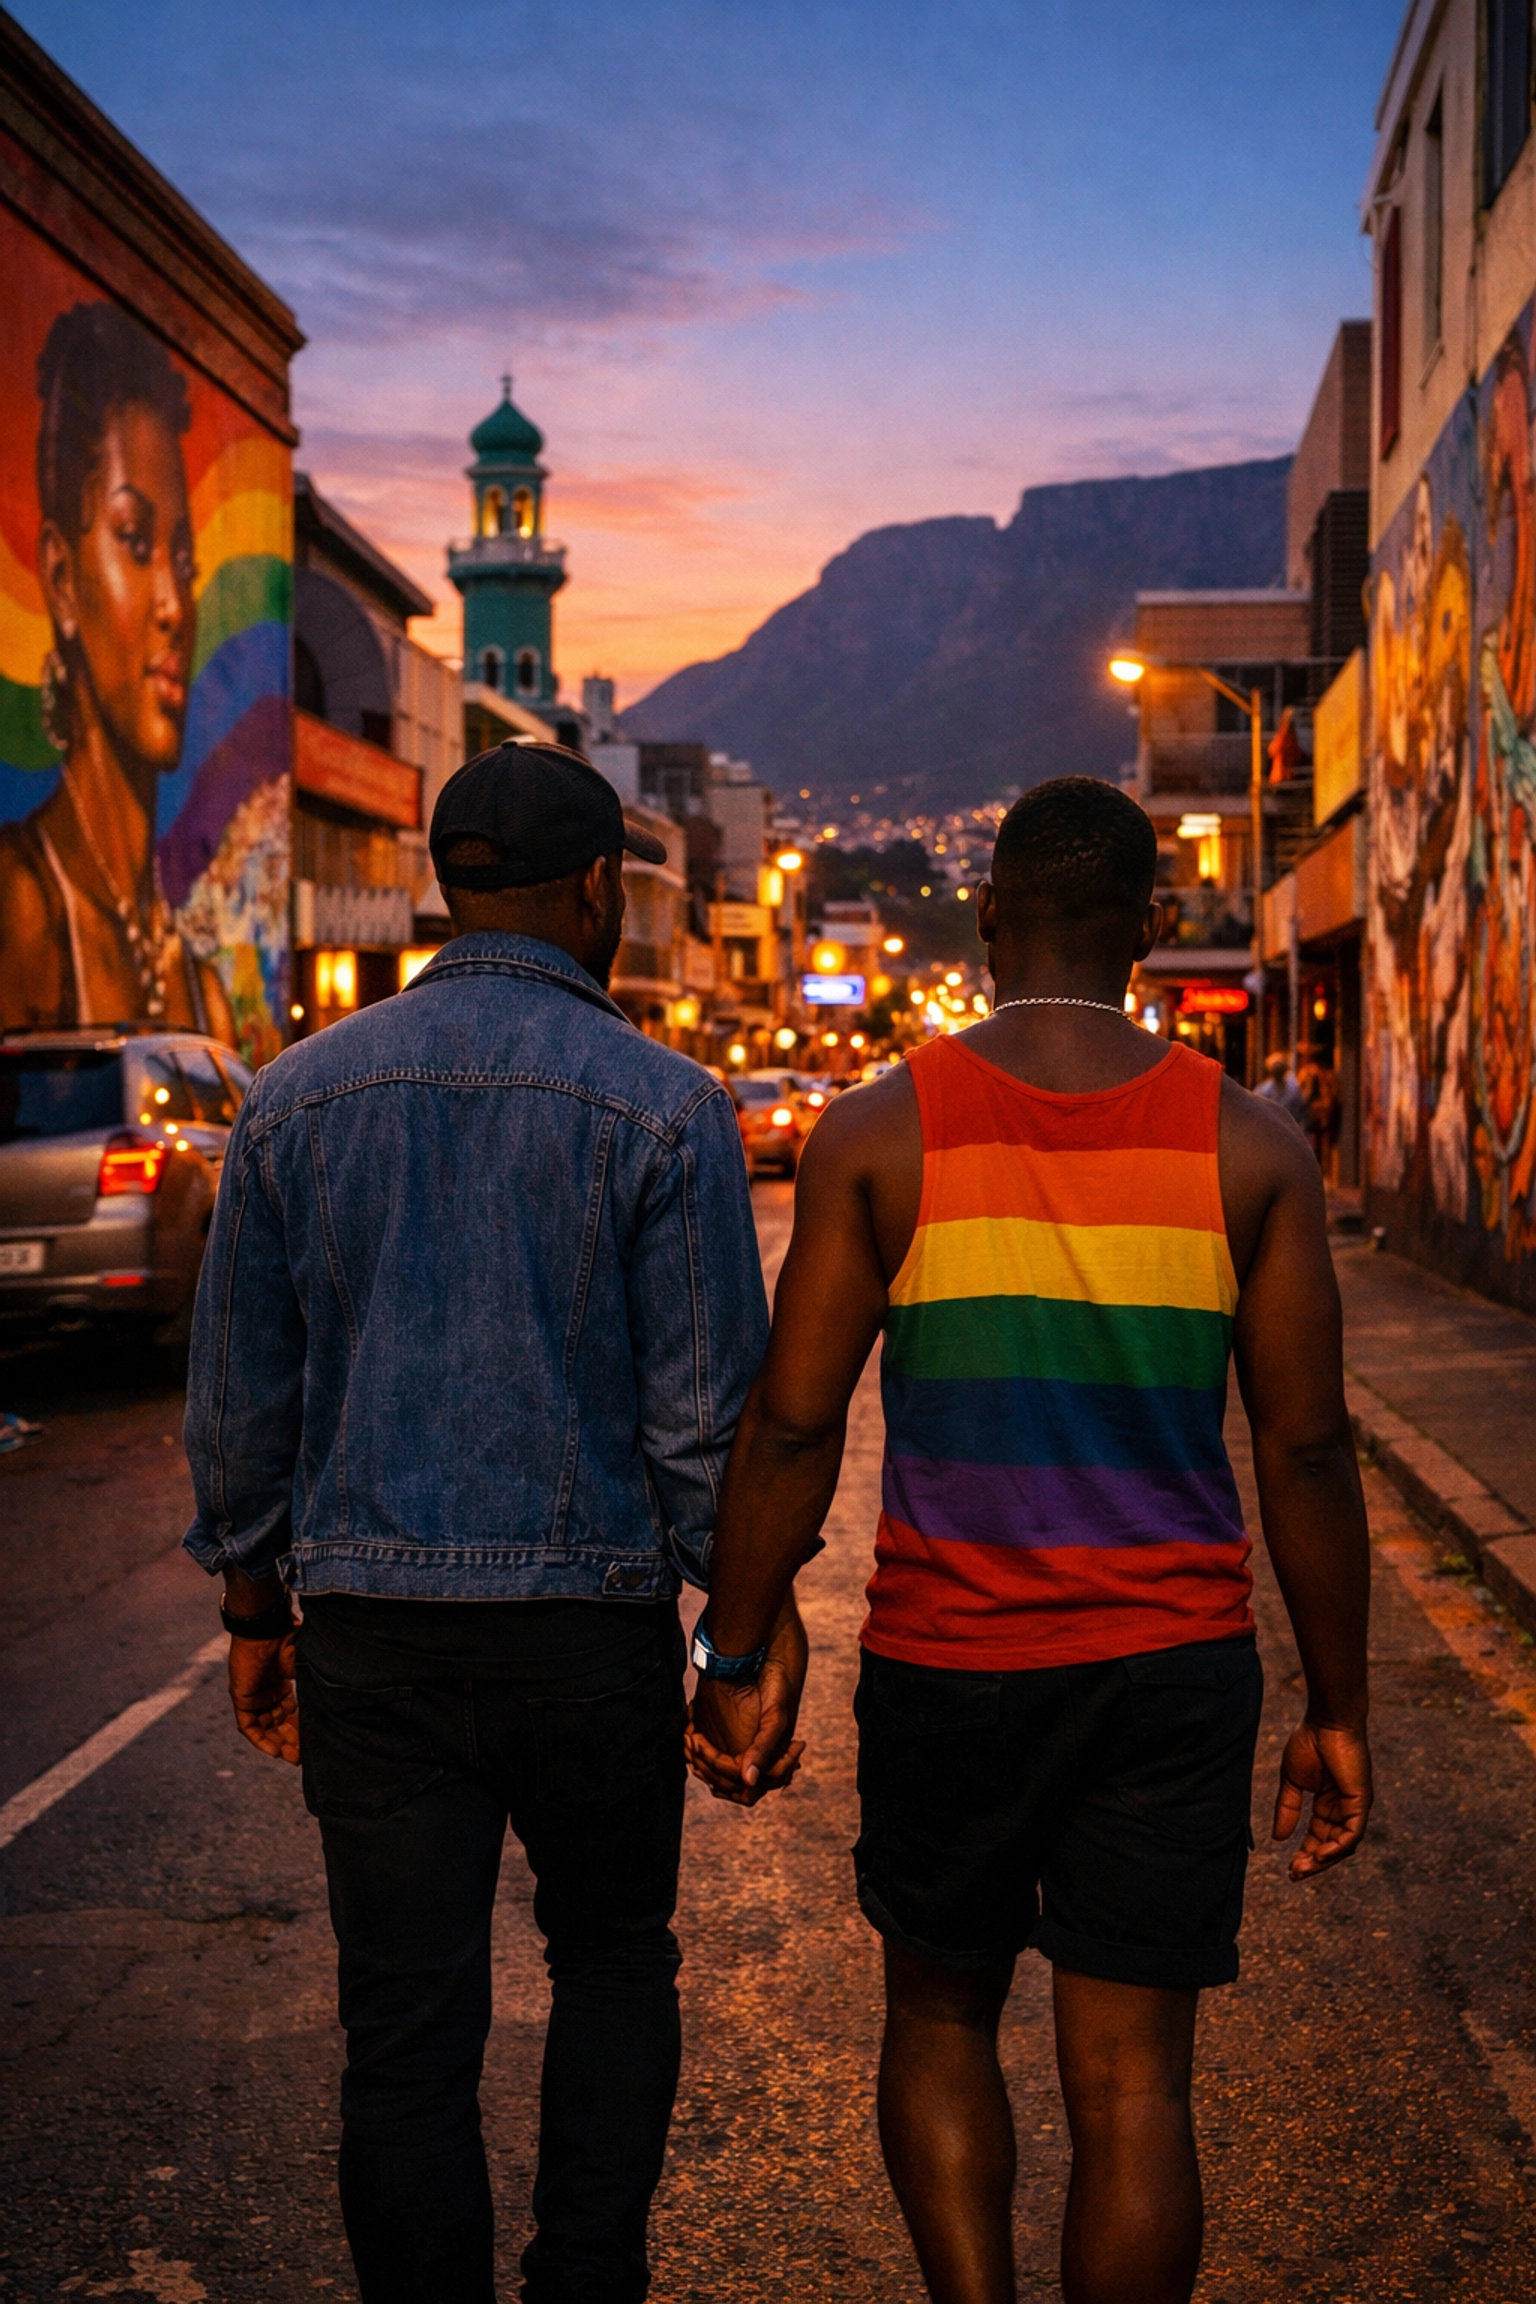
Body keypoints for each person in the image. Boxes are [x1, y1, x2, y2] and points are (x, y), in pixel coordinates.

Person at [688, 776, 1373, 2304]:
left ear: (989, 915)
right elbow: (1308, 1449)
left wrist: (731, 1646)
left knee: (937, 2022)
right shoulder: (1251, 1148)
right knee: (1136, 2086)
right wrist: (1337, 1706)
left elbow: (793, 1430)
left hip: (953, 1664)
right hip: (1172, 1668)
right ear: (1152, 930)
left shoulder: (877, 1132)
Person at [183, 740, 800, 2304]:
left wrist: (259, 1614)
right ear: (600, 891)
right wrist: (736, 1643)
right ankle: (584, 2282)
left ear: (449, 885)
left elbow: (245, 1404)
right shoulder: (668, 1111)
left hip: (373, 1648)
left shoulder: (296, 1100)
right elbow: (701, 1432)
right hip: (586, 1638)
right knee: (611, 1966)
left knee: (403, 2027)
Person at [0, 300, 234, 1037]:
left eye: (186, 559)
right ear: (63, 581)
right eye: (135, 541)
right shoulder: (23, 909)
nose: (174, 602)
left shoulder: (204, 994)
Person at [1255, 1048, 1310, 1129]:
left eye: (1280, 1068)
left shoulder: (1293, 1089)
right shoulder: (1264, 1089)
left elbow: (1302, 1109)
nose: (1278, 1071)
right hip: (1270, 1128)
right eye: (1276, 1069)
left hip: (1289, 1129)